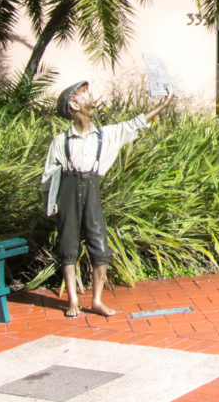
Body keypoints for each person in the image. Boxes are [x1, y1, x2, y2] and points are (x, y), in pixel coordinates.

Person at [41, 81, 170, 317]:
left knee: (100, 245)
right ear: (73, 105)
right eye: (83, 94)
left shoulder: (105, 136)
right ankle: (72, 300)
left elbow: (135, 125)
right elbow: (49, 175)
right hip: (68, 192)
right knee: (68, 246)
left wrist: (164, 104)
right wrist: (51, 201)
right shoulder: (61, 141)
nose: (90, 97)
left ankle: (97, 300)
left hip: (92, 189)